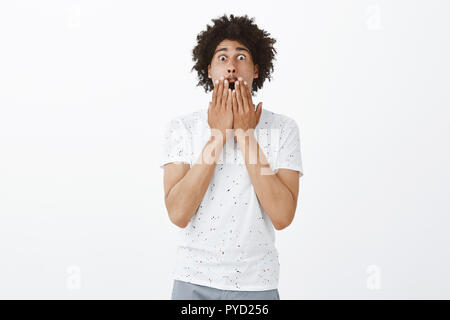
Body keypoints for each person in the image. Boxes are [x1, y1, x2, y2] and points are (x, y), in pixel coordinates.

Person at [160, 14, 304, 300]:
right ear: (209, 69)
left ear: (256, 70)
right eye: (222, 58)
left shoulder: (282, 128)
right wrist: (218, 136)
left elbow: (282, 216)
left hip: (256, 286)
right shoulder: (182, 128)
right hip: (193, 281)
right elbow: (178, 213)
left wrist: (246, 135)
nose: (231, 67)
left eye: (241, 57)